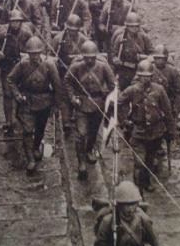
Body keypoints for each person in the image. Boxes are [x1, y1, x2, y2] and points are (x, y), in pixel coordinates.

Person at [119, 58, 175, 193]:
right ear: (138, 76)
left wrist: (171, 131)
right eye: (143, 76)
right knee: (139, 163)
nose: (146, 79)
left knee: (150, 160)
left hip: (156, 131)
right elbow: (118, 104)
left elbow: (167, 111)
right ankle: (138, 192)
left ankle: (146, 180)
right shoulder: (132, 90)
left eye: (149, 76)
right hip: (138, 131)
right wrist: (124, 120)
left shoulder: (159, 90)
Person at [8, 36, 62, 174]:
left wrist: (56, 105)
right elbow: (10, 79)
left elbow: (57, 86)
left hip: (44, 101)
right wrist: (17, 95)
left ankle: (36, 146)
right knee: (27, 130)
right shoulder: (22, 64)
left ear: (41, 52)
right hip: (27, 100)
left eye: (37, 53)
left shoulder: (49, 65)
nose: (34, 56)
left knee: (40, 128)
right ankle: (30, 159)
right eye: (31, 53)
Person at [94, 180, 165, 246]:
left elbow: (153, 240)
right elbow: (100, 245)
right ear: (119, 205)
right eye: (126, 205)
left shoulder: (143, 220)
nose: (130, 209)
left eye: (133, 204)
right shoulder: (108, 221)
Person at [65, 40, 115, 179]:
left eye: (92, 57)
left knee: (93, 131)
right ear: (83, 56)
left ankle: (88, 150)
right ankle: (81, 163)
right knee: (81, 133)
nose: (89, 60)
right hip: (81, 103)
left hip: (98, 104)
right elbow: (67, 81)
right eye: (87, 57)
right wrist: (72, 97)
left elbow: (113, 85)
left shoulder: (103, 67)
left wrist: (108, 97)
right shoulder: (76, 67)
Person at [0, 9, 34, 135]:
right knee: (7, 94)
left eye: (17, 21)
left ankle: (20, 118)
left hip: (21, 66)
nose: (15, 24)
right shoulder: (3, 33)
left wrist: (26, 56)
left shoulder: (26, 33)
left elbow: (33, 49)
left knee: (20, 93)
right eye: (13, 22)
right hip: (7, 65)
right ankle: (8, 121)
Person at [52, 14, 88, 133]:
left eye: (75, 30)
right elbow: (51, 57)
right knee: (64, 96)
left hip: (78, 72)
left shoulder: (84, 40)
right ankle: (66, 120)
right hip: (63, 71)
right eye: (71, 29)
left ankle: (77, 117)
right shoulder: (58, 39)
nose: (73, 32)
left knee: (77, 93)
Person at [152, 44, 180, 122]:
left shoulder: (173, 71)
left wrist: (176, 109)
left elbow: (179, 92)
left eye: (161, 58)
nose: (159, 61)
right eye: (157, 58)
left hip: (169, 102)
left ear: (166, 59)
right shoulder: (149, 69)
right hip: (153, 102)